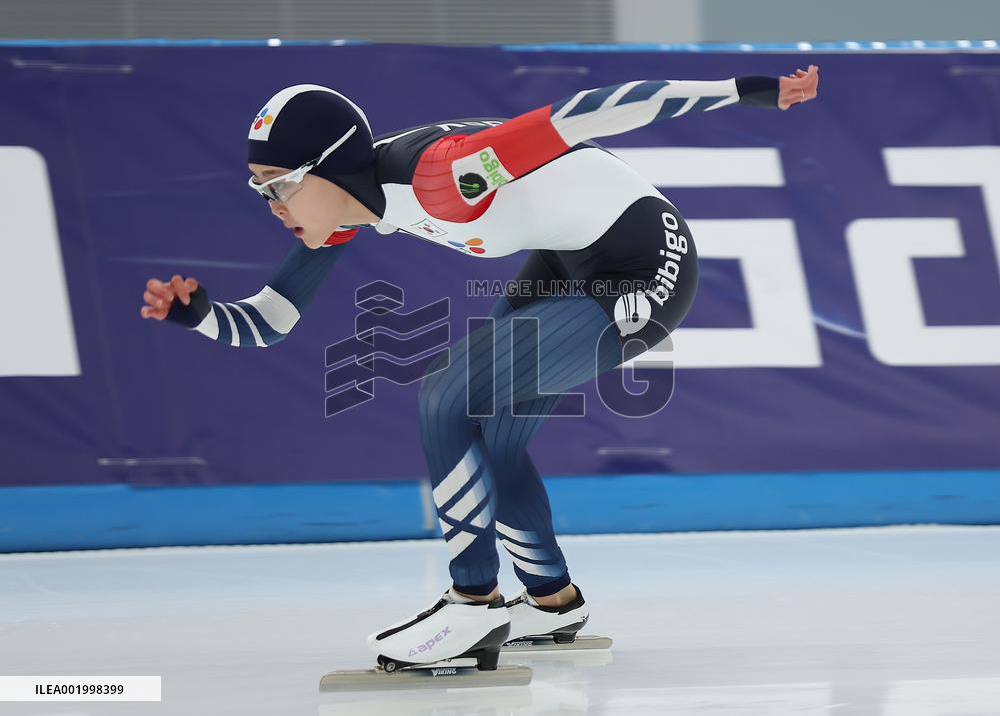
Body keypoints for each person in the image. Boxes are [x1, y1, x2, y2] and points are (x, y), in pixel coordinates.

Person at [142, 65, 820, 671]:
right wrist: (197, 313)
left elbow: (588, 112)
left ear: (329, 168)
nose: (274, 205)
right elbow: (270, 321)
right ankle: (552, 600)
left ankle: (474, 600)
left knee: (445, 393)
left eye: (281, 185)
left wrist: (745, 90)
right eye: (261, 190)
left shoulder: (449, 175)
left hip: (645, 265)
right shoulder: (354, 209)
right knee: (492, 429)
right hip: (570, 255)